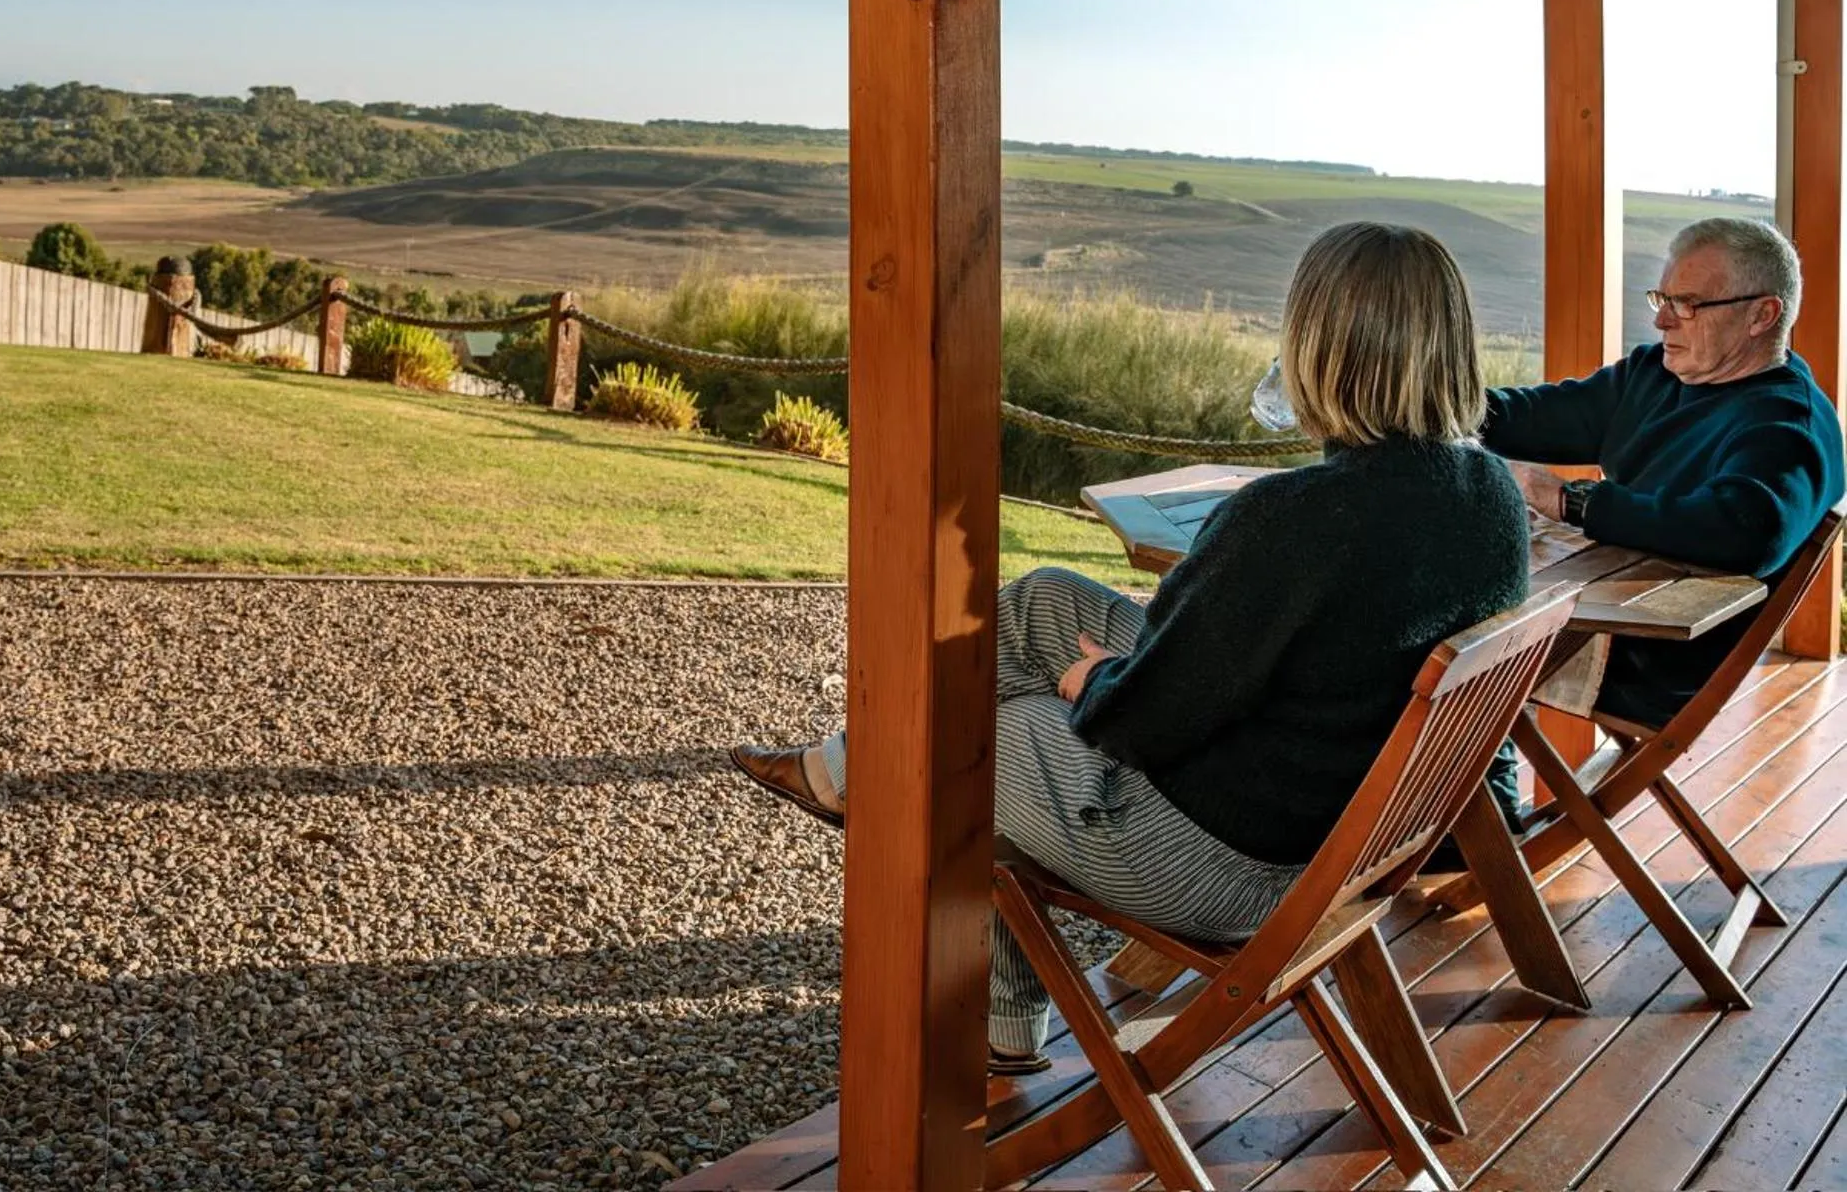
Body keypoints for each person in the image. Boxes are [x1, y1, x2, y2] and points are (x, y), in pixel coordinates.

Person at [729, 222, 1531, 1072]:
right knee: (1043, 601)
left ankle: (870, 804)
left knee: (977, 733)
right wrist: (1114, 670)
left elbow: (1141, 724)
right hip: (1334, 832)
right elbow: (1251, 656)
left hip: (1230, 864)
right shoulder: (1489, 495)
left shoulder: (1294, 518)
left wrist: (1092, 682)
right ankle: (852, 778)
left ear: (1319, 346)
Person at [1482, 217, 1845, 820]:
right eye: (1663, 299)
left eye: (1688, 304)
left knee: (1427, 624)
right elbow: (1529, 416)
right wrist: (1426, 400)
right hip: (1602, 615)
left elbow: (1745, 531)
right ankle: (1473, 818)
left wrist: (1572, 501)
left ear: (1761, 315)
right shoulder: (1655, 375)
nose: (1661, 320)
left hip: (1653, 658)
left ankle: (1466, 824)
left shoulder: (1788, 425)